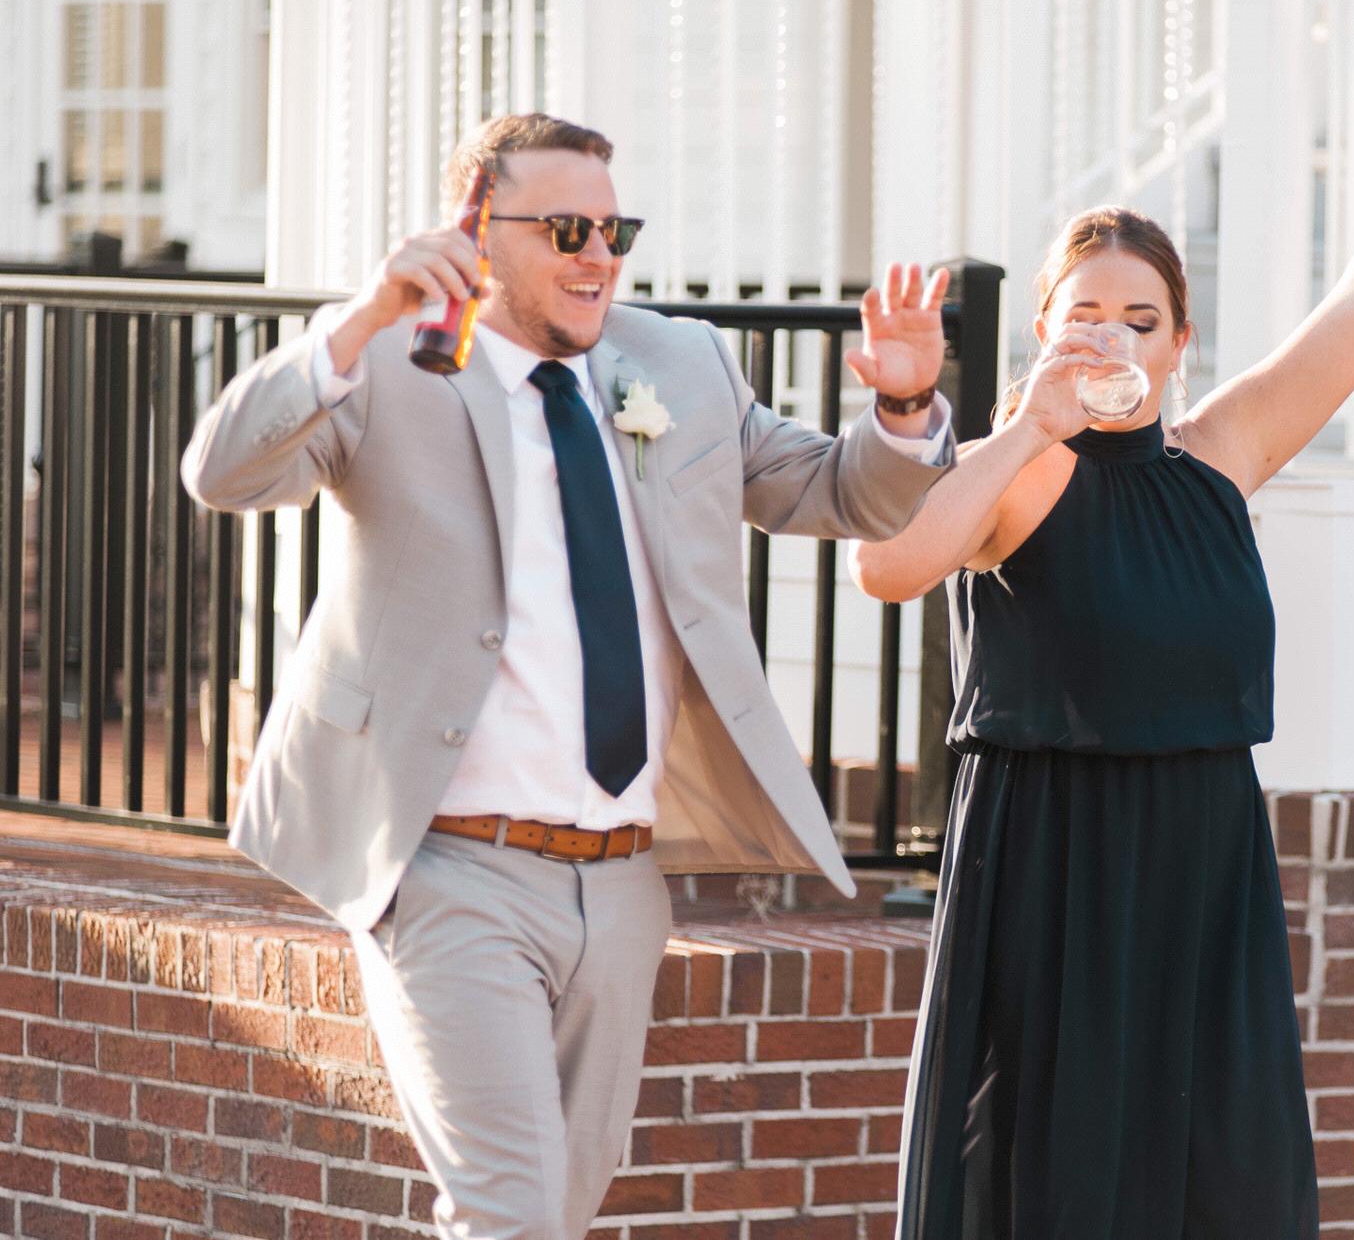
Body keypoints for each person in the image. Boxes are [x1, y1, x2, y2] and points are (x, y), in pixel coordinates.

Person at [182, 112, 957, 1240]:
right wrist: (357, 322)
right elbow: (223, 470)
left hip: (620, 881)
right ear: (476, 233)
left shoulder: (677, 364)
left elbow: (842, 493)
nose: (599, 254)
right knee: (510, 1212)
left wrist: (899, 409)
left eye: (614, 227)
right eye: (568, 229)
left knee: (564, 1199)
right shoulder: (393, 366)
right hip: (448, 866)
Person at [854, 47, 1354, 1238]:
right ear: (1043, 328)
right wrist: (1021, 423)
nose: (1110, 339)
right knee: (1056, 1183)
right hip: (1054, 873)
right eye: (1082, 314)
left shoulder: (1218, 457)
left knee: (1220, 1183)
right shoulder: (1016, 473)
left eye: (1140, 319)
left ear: (1177, 342)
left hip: (1204, 868)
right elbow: (890, 566)